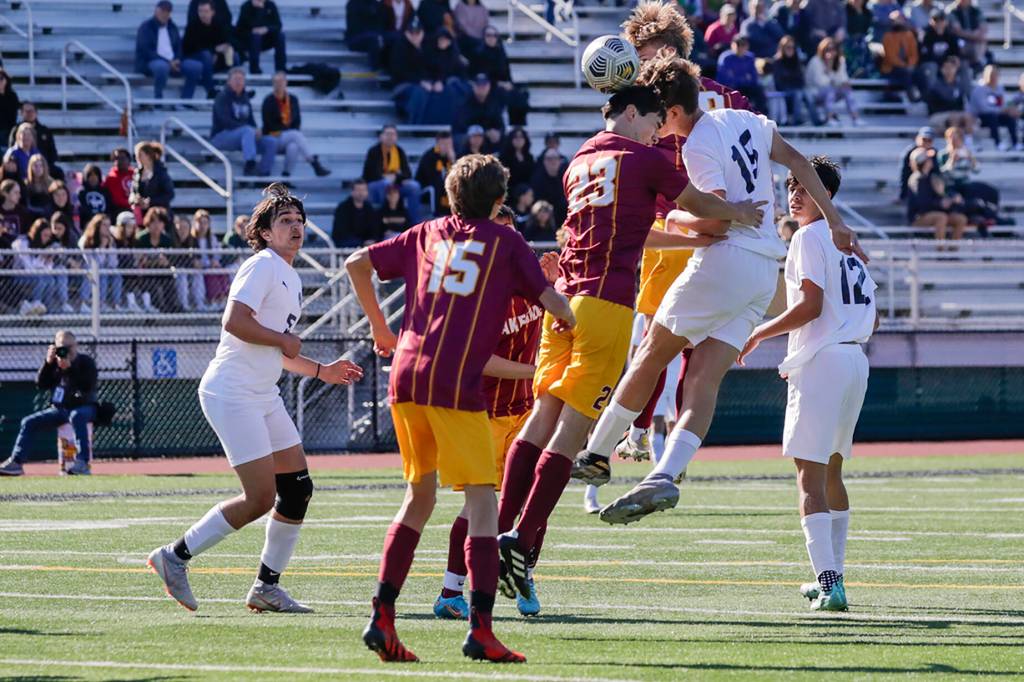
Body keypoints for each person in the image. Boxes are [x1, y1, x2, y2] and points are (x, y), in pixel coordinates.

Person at [496, 82, 764, 600]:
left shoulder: (580, 159)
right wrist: (741, 215)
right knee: (572, 434)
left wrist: (691, 236)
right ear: (634, 113)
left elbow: (633, 230)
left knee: (541, 419)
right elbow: (696, 201)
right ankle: (521, 537)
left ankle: (498, 537)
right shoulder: (642, 158)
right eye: (653, 121)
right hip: (606, 305)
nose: (658, 131)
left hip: (563, 302)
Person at [571, 55, 862, 526]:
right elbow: (798, 162)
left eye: (654, 113)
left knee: (651, 354)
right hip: (763, 272)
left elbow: (715, 218)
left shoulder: (695, 146)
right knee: (703, 380)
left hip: (725, 263)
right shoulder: (744, 118)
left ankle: (597, 451)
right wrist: (836, 219)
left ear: (669, 112)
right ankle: (667, 473)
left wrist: (674, 218)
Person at [344, 154, 574, 663]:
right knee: (483, 505)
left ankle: (383, 617)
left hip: (405, 375)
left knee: (419, 499)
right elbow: (556, 306)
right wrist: (580, 322)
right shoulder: (506, 240)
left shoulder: (425, 233)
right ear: (498, 202)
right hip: (454, 383)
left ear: (450, 197)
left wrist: (381, 329)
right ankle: (481, 628)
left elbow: (356, 263)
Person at [147, 183, 363, 613]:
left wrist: (322, 370)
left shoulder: (291, 275)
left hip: (262, 393)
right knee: (261, 497)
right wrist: (285, 340)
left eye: (299, 221)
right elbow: (234, 322)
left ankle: (267, 587)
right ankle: (174, 556)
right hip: (233, 391)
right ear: (263, 232)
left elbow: (280, 351)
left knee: (298, 488)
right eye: (285, 221)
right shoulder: (262, 265)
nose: (296, 227)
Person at [737, 155, 876, 613]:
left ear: (827, 195)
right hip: (855, 359)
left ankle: (829, 581)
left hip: (824, 361)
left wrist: (760, 330)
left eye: (805, 186)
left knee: (809, 475)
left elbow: (811, 306)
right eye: (792, 185)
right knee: (832, 470)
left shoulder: (807, 238)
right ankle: (831, 576)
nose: (795, 193)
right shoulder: (846, 241)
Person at [432, 204, 556, 620]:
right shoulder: (472, 292)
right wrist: (534, 370)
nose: (509, 239)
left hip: (525, 411)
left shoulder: (533, 281)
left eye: (511, 230)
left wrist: (560, 286)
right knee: (478, 507)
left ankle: (523, 575)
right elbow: (481, 360)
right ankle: (451, 591)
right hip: (481, 414)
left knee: (536, 502)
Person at [0, 331, 99, 476]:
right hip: (60, 409)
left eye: (68, 347)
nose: (65, 350)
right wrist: (47, 363)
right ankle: (16, 462)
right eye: (61, 347)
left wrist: (70, 369)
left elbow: (87, 386)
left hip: (84, 406)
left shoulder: (86, 362)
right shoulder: (54, 364)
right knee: (29, 422)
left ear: (75, 346)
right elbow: (41, 384)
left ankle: (82, 462)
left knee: (76, 415)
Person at [135, 0, 211, 100]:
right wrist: (168, 62)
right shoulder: (146, 27)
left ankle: (186, 100)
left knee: (196, 67)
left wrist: (177, 59)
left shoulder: (172, 27)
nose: (165, 14)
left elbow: (178, 46)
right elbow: (146, 51)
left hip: (173, 61)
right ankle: (158, 99)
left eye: (167, 12)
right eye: (162, 11)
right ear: (156, 11)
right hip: (152, 61)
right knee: (161, 67)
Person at [261, 72, 330, 177]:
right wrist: (287, 131)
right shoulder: (268, 101)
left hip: (289, 136)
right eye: (276, 82)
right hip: (274, 136)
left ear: (286, 82)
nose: (279, 84)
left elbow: (297, 120)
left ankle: (286, 175)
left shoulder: (293, 99)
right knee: (295, 135)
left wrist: (290, 132)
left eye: (281, 81)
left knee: (293, 146)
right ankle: (313, 162)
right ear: (273, 84)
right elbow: (268, 124)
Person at [211, 68, 278, 176]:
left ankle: (264, 173)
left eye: (241, 79)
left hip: (244, 137)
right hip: (221, 136)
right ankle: (250, 164)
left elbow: (251, 120)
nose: (239, 82)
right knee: (247, 130)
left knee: (271, 141)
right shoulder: (222, 97)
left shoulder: (245, 98)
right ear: (229, 81)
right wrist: (250, 130)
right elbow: (225, 122)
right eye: (236, 79)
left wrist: (257, 130)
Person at [362, 125, 422, 224]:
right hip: (375, 186)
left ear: (396, 137)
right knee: (385, 184)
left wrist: (395, 177)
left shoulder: (399, 151)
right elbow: (373, 174)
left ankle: (414, 223)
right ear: (381, 136)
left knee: (414, 186)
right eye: (387, 134)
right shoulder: (374, 151)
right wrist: (388, 177)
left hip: (396, 184)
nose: (390, 137)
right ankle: (383, 219)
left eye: (393, 134)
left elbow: (407, 174)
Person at [906, 148, 968, 241]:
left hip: (935, 212)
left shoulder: (932, 176)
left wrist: (951, 199)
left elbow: (942, 193)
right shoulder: (916, 179)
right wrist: (940, 203)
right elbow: (922, 204)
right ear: (923, 162)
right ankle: (940, 251)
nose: (931, 161)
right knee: (941, 217)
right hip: (919, 217)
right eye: (928, 159)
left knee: (960, 219)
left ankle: (953, 251)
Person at [471, 26, 528, 126]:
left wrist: (509, 84)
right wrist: (499, 83)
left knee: (521, 96)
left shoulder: (501, 52)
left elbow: (507, 73)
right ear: (484, 37)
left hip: (503, 85)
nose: (491, 38)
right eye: (488, 35)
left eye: (494, 35)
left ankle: (517, 128)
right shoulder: (478, 53)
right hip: (487, 86)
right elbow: (479, 75)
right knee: (501, 94)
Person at [806, 37, 863, 126]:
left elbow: (843, 78)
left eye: (833, 49)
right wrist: (829, 69)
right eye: (828, 49)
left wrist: (844, 83)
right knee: (830, 90)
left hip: (832, 91)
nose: (830, 52)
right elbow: (820, 83)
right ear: (822, 49)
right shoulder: (815, 61)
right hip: (814, 93)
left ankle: (855, 118)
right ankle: (830, 118)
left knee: (847, 90)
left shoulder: (840, 61)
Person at [388, 22, 432, 124]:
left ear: (423, 33)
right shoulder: (399, 47)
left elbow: (433, 68)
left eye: (418, 33)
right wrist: (420, 81)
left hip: (424, 84)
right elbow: (399, 72)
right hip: (403, 85)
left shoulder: (427, 47)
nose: (415, 36)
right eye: (412, 33)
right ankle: (414, 123)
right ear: (407, 33)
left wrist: (435, 82)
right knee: (419, 92)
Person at [969, 65, 1020, 151]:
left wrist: (1009, 110)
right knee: (992, 116)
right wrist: (1002, 110)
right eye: (990, 74)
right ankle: (998, 143)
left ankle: (1016, 143)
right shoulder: (979, 89)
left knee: (1010, 118)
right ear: (985, 75)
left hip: (996, 115)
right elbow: (983, 109)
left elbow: (1002, 104)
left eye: (995, 74)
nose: (992, 77)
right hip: (980, 118)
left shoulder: (1000, 88)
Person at [6, 102, 63, 179]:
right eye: (26, 111)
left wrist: (43, 165)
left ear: (36, 112)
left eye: (31, 111)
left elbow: (52, 153)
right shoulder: (15, 130)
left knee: (58, 172)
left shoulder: (45, 131)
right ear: (21, 113)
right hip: (20, 168)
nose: (29, 114)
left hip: (42, 166)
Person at [79, 213, 123, 311]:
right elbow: (90, 262)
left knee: (117, 275)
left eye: (108, 225)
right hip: (85, 271)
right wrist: (102, 248)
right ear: (97, 226)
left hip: (103, 269)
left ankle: (116, 304)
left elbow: (113, 264)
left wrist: (110, 247)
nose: (107, 228)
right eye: (104, 225)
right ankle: (86, 303)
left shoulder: (110, 241)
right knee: (101, 274)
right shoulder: (86, 240)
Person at [774, 35, 821, 126]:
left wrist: (791, 77)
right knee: (798, 94)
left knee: (808, 94)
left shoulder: (797, 60)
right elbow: (779, 82)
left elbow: (801, 78)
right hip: (784, 88)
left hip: (797, 87)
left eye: (792, 47)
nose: (790, 49)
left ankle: (817, 121)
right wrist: (792, 78)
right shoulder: (777, 61)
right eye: (788, 47)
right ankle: (796, 120)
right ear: (783, 48)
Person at [134, 206, 175, 312]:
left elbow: (170, 261)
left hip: (162, 270)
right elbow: (140, 260)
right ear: (148, 223)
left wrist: (165, 262)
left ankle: (170, 307)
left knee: (169, 278)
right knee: (149, 281)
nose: (157, 225)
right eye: (153, 222)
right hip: (145, 272)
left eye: (160, 222)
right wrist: (153, 261)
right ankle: (153, 307)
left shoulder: (167, 240)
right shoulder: (141, 239)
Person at [716, 36, 768, 113]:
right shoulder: (726, 58)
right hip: (730, 88)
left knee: (759, 90)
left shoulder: (750, 57)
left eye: (743, 44)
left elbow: (753, 77)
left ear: (747, 46)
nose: (740, 47)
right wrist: (744, 78)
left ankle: (760, 116)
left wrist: (740, 79)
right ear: (732, 45)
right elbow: (725, 79)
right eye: (738, 44)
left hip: (746, 86)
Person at [925, 55, 974, 134]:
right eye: (946, 68)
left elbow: (961, 104)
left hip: (955, 112)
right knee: (953, 117)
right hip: (938, 114)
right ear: (942, 70)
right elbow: (933, 106)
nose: (949, 70)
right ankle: (953, 140)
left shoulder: (958, 85)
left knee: (967, 117)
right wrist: (951, 109)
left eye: (951, 67)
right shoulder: (936, 85)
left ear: (955, 69)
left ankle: (968, 141)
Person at [879, 11, 923, 100]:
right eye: (896, 20)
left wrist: (910, 64)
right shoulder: (887, 36)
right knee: (905, 74)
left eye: (901, 19)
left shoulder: (909, 35)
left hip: (907, 67)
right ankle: (912, 96)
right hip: (891, 68)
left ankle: (925, 98)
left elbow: (914, 54)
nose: (899, 22)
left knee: (921, 74)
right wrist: (904, 65)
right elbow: (890, 57)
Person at [183, 0, 235, 73]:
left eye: (206, 11)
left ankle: (232, 81)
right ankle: (208, 83)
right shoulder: (193, 25)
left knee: (234, 55)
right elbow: (192, 47)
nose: (203, 14)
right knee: (206, 55)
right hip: (195, 55)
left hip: (213, 54)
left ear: (212, 12)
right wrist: (214, 50)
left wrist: (223, 48)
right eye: (200, 11)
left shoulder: (218, 24)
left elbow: (225, 40)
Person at [235, 0, 286, 75]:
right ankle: (254, 68)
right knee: (256, 36)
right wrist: (259, 10)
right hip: (250, 40)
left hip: (267, 39)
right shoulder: (246, 6)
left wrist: (266, 29)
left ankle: (280, 69)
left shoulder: (271, 5)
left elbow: (278, 25)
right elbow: (240, 29)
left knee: (280, 36)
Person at [454, 73, 506, 141]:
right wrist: (484, 133)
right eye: (478, 85)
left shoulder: (494, 103)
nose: (481, 88)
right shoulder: (465, 103)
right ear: (473, 86)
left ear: (489, 86)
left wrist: (498, 133)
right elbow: (461, 127)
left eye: (484, 85)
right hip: (468, 142)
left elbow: (500, 125)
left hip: (489, 142)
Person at [415, 130, 455, 216]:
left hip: (442, 187)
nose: (447, 147)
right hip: (426, 189)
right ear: (437, 143)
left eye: (449, 144)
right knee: (439, 183)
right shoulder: (429, 156)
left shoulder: (450, 156)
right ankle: (439, 214)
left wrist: (453, 161)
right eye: (444, 144)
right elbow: (432, 178)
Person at [130, 141, 176, 215]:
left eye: (140, 155)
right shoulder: (137, 173)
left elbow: (170, 194)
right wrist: (135, 199)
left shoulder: (160, 172)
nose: (137, 158)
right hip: (141, 214)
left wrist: (150, 201)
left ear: (148, 155)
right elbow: (132, 192)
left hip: (159, 215)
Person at [332, 179, 382, 247]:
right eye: (358, 190)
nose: (361, 193)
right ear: (352, 192)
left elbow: (374, 229)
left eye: (363, 190)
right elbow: (341, 233)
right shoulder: (343, 208)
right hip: (345, 242)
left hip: (364, 242)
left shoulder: (369, 208)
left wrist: (372, 239)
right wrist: (362, 243)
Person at [528, 148, 569, 227]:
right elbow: (537, 202)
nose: (553, 161)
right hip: (544, 217)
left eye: (556, 158)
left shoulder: (566, 177)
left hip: (563, 214)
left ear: (560, 161)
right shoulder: (537, 179)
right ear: (544, 161)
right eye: (549, 159)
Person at [346, 0, 389, 69]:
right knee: (374, 39)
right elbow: (355, 26)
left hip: (374, 37)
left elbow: (381, 24)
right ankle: (375, 68)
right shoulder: (353, 4)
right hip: (355, 38)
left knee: (393, 38)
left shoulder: (378, 5)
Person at [946, 0, 986, 70]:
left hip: (973, 39)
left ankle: (977, 63)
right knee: (961, 43)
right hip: (958, 40)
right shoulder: (952, 10)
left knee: (982, 40)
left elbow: (983, 28)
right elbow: (958, 31)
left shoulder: (976, 10)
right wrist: (973, 35)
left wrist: (975, 35)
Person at [898, 126, 935, 200]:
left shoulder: (934, 152)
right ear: (918, 138)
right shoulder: (909, 153)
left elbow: (936, 172)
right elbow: (904, 174)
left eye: (929, 140)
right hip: (914, 183)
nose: (926, 142)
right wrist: (902, 195)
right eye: (924, 139)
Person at [78, 164, 113, 228]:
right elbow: (82, 210)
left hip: (104, 224)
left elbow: (109, 208)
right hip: (88, 224)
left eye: (95, 175)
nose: (93, 178)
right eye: (90, 175)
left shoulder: (105, 191)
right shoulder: (82, 193)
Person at [104, 148, 136, 215]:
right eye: (116, 158)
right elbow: (117, 200)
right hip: (120, 211)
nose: (119, 161)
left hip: (136, 207)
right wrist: (133, 203)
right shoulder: (111, 178)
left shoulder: (135, 174)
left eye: (123, 158)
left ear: (129, 160)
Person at [0, 69, 19, 149]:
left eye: (1, 78)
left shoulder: (12, 96)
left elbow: (13, 115)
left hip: (8, 131)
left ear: (6, 80)